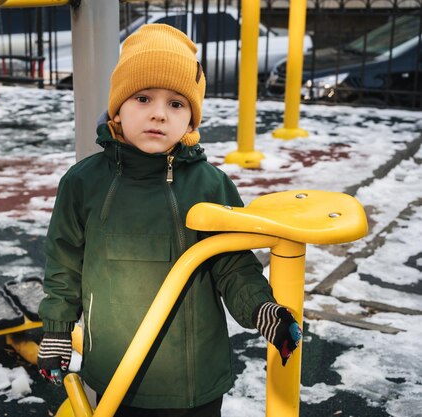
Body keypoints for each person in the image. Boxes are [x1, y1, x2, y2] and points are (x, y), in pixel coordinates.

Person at [37, 24, 302, 416]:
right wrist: (57, 331)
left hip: (195, 378)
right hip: (118, 374)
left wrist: (261, 309)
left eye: (176, 104)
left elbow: (233, 265)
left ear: (191, 122)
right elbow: (65, 263)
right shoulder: (84, 183)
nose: (159, 114)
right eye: (143, 98)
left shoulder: (211, 185)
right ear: (118, 107)